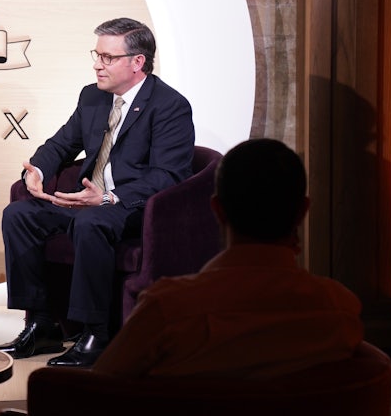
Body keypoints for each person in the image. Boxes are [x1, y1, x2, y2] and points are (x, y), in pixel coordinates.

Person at [0, 18, 195, 368]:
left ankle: (95, 334)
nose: (97, 64)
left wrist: (106, 198)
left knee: (92, 223)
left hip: (135, 207)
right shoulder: (93, 97)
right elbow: (61, 144)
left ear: (138, 62)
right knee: (19, 214)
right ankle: (41, 323)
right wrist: (37, 172)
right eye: (97, 54)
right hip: (88, 198)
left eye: (107, 57)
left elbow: (168, 177)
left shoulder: (169, 106)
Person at [93, 138, 364, 378]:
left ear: (217, 210)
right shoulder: (340, 310)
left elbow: (95, 394)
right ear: (303, 212)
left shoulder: (166, 309)